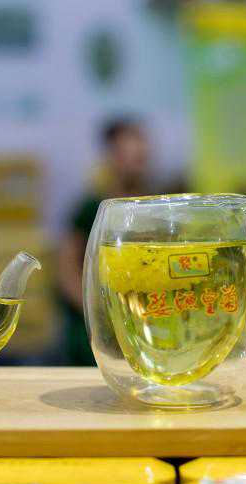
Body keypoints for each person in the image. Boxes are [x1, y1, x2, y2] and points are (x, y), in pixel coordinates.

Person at [57, 116, 150, 365]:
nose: (136, 158)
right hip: (98, 323)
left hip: (147, 319)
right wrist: (97, 311)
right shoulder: (91, 208)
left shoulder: (156, 208)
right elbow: (67, 270)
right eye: (126, 151)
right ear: (111, 155)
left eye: (140, 152)